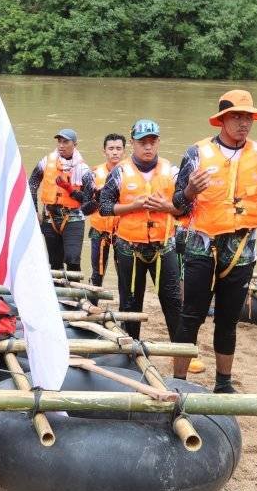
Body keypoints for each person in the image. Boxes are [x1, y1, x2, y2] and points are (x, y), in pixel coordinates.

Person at [172, 90, 257, 393]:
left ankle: (223, 384)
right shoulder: (196, 153)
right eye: (238, 117)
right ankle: (178, 383)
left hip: (242, 249)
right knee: (191, 317)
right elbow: (177, 205)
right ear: (222, 120)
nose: (244, 123)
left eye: (248, 117)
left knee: (228, 320)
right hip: (202, 245)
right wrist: (189, 190)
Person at [98, 121, 182, 342]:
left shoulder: (172, 171)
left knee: (173, 301)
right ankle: (131, 350)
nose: (148, 147)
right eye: (142, 142)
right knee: (130, 302)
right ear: (133, 143)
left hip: (164, 247)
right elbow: (105, 207)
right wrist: (132, 207)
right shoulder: (120, 172)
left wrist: (166, 206)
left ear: (158, 143)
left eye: (152, 142)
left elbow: (185, 208)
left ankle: (181, 351)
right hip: (129, 248)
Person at [29, 129, 90, 273]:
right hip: (50, 217)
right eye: (59, 142)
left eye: (66, 142)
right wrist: (34, 211)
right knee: (55, 263)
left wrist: (70, 189)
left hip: (73, 217)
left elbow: (88, 199)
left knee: (72, 259)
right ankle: (58, 292)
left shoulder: (83, 169)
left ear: (75, 144)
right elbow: (32, 184)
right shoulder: (46, 161)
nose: (61, 145)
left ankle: (75, 292)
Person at [82, 134, 125, 289]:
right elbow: (85, 209)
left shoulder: (132, 174)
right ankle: (93, 306)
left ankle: (125, 309)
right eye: (111, 148)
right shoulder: (92, 176)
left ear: (124, 152)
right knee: (97, 274)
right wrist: (96, 199)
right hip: (99, 231)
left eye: (118, 148)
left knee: (125, 274)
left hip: (124, 232)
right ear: (104, 151)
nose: (115, 152)